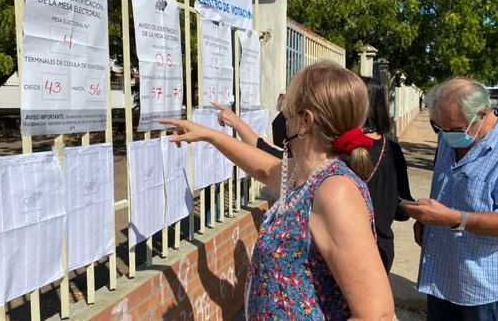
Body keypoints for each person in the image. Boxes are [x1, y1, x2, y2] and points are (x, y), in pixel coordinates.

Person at [161, 61, 394, 320]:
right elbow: (263, 169)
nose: (283, 116)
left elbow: (377, 314)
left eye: (286, 108)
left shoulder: (335, 191)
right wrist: (209, 135)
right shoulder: (301, 172)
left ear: (305, 121)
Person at [401, 77, 498, 321]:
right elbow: (445, 185)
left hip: (484, 286)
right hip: (442, 274)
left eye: (453, 129)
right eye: (439, 127)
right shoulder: (448, 134)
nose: (445, 135)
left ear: (483, 114)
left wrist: (452, 218)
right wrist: (427, 219)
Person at [361, 76, 413, 273]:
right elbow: (403, 210)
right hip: (380, 250)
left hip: (342, 252)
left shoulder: (337, 149)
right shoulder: (391, 149)